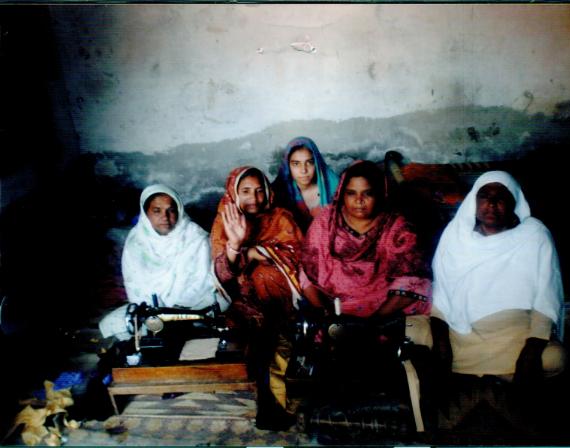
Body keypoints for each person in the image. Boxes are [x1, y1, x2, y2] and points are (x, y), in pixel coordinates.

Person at [299, 160, 435, 432]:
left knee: (379, 356)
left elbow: (412, 279)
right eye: (351, 193)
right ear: (341, 194)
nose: (358, 201)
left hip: (383, 312)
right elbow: (308, 274)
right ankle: (337, 419)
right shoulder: (325, 223)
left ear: (380, 194)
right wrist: (326, 315)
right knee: (332, 357)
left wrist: (371, 323)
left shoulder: (397, 226)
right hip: (336, 311)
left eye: (367, 193)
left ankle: (382, 416)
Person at [430, 171, 565, 388]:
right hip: (464, 335)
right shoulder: (456, 236)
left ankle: (487, 376)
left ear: (514, 202)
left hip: (516, 333)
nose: (492, 204)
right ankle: (496, 376)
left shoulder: (534, 235)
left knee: (554, 358)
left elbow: (547, 296)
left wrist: (531, 350)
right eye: (485, 196)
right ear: (474, 201)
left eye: (501, 197)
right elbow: (440, 295)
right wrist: (442, 346)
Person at [210, 166, 303, 430]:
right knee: (258, 349)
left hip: (281, 303)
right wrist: (238, 247)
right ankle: (270, 404)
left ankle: (275, 407)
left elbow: (297, 256)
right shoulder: (224, 220)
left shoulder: (281, 218)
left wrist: (253, 254)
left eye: (260, 190)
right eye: (246, 191)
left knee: (276, 347)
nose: (254, 198)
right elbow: (221, 275)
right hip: (242, 305)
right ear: (234, 192)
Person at [99, 184, 229, 341]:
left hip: (194, 305)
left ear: (179, 211)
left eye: (171, 210)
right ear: (145, 213)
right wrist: (154, 311)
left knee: (214, 314)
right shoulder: (136, 242)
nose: (165, 217)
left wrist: (177, 307)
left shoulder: (196, 238)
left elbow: (204, 283)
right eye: (157, 211)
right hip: (153, 311)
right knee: (118, 325)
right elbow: (135, 286)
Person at [271, 136, 339, 233]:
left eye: (309, 162)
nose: (303, 170)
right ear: (287, 166)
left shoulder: (334, 187)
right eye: (296, 164)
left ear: (317, 163)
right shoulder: (278, 193)